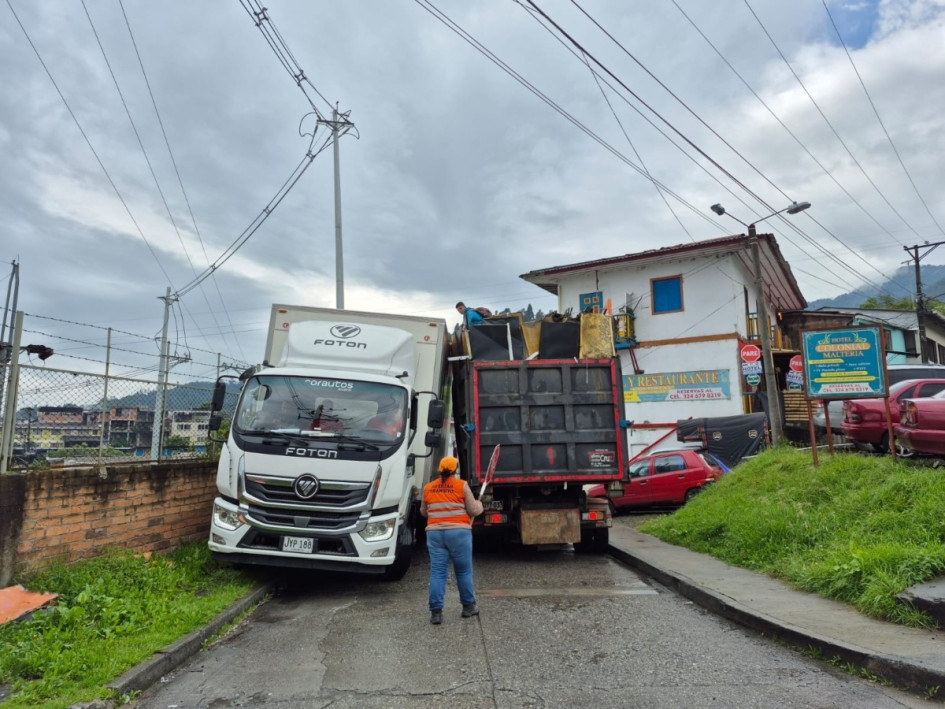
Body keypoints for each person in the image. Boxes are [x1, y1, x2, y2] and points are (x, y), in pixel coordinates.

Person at [420, 456, 483, 625]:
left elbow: (424, 512)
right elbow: (473, 510)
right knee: (463, 571)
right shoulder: (461, 485)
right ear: (455, 470)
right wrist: (479, 504)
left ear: (439, 470)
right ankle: (468, 607)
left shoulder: (428, 488)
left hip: (434, 534)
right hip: (458, 533)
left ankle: (436, 613)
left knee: (437, 572)